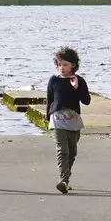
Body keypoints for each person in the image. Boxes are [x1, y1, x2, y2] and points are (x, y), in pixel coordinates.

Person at [44, 46, 91, 194]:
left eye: (65, 65)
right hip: (57, 119)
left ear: (73, 65)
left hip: (73, 120)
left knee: (72, 152)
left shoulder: (78, 80)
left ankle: (66, 180)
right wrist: (47, 117)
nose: (61, 68)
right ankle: (63, 180)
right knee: (62, 150)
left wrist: (77, 87)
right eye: (59, 64)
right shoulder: (53, 80)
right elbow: (50, 100)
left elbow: (86, 101)